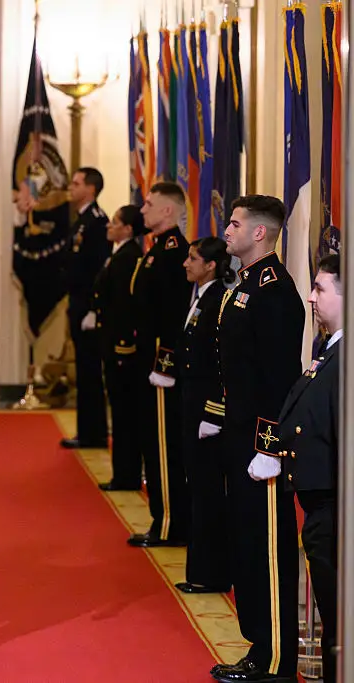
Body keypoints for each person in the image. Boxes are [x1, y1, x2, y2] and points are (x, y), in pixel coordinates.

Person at [205, 195, 303, 683]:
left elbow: (279, 376)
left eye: (235, 223)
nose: (227, 230)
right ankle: (258, 648)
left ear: (260, 233)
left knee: (267, 549)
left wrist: (269, 446)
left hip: (259, 445)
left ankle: (278, 660)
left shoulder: (275, 292)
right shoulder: (243, 286)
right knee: (245, 545)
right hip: (238, 436)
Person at [278, 254, 342, 683]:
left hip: (336, 507)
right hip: (321, 503)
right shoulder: (329, 349)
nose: (311, 297)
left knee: (339, 617)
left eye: (320, 289)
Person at [128, 181, 192, 548]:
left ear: (168, 210)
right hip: (146, 363)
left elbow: (173, 317)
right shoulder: (156, 251)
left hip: (160, 367)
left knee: (164, 447)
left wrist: (165, 365)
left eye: (149, 204)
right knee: (151, 444)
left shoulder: (173, 254)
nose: (143, 210)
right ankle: (161, 518)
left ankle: (170, 524)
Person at [174, 237, 233, 594]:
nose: (186, 263)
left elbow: (218, 362)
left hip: (206, 411)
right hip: (191, 403)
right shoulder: (199, 298)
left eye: (193, 258)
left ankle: (210, 573)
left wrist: (213, 412)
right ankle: (200, 570)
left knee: (207, 491)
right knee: (196, 486)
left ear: (210, 265)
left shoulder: (217, 302)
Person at [84, 205, 145, 491]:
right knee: (119, 412)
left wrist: (121, 346)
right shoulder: (119, 253)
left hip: (120, 347)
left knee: (125, 415)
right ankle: (123, 473)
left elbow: (124, 306)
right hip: (109, 341)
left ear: (128, 229)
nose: (109, 225)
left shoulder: (128, 257)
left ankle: (126, 475)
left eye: (116, 222)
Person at [61, 167, 110, 449]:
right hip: (78, 303)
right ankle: (87, 431)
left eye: (76, 183)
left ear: (90, 189)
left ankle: (94, 433)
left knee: (90, 370)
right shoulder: (81, 220)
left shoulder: (96, 221)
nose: (71, 187)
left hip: (88, 308)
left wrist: (93, 307)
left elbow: (97, 271)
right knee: (84, 369)